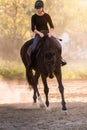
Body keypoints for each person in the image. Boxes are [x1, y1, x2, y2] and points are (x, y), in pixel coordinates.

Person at [28, 0, 67, 68]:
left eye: (39, 8)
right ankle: (32, 62)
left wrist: (50, 33)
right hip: (39, 34)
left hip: (47, 33)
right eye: (37, 8)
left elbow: (52, 27)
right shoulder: (33, 17)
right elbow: (33, 29)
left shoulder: (47, 16)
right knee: (34, 48)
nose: (38, 10)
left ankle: (60, 60)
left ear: (42, 8)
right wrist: (39, 33)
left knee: (58, 45)